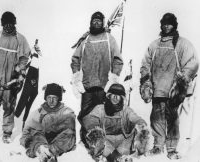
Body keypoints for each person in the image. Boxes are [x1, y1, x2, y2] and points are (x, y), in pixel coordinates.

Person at [140, 13, 199, 160]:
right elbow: (145, 64)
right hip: (157, 89)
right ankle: (158, 147)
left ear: (174, 25)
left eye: (169, 23)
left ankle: (172, 149)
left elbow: (192, 63)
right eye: (164, 23)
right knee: (156, 119)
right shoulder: (154, 45)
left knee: (172, 120)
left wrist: (182, 80)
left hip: (173, 91)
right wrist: (146, 82)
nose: (166, 26)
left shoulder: (183, 44)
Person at [71, 11, 123, 146]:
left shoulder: (108, 38)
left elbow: (117, 60)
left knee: (103, 115)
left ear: (103, 23)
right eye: (94, 20)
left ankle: (102, 142)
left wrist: (113, 78)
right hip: (87, 86)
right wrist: (77, 79)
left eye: (99, 21)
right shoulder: (86, 40)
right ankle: (85, 140)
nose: (96, 23)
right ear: (90, 22)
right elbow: (75, 59)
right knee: (85, 114)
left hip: (103, 87)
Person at [0, 11, 30, 143]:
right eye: (5, 24)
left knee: (9, 107)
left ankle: (7, 133)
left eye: (11, 24)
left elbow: (25, 58)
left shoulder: (20, 39)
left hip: (10, 81)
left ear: (14, 23)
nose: (8, 27)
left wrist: (19, 71)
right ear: (2, 24)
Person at [82, 84, 150, 162]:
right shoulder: (100, 108)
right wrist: (94, 129)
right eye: (113, 94)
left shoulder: (126, 110)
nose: (115, 97)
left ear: (122, 98)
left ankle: (123, 157)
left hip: (123, 142)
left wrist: (142, 126)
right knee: (103, 151)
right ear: (109, 96)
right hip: (105, 141)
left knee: (125, 151)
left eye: (118, 95)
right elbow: (89, 119)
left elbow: (136, 118)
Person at [20, 83, 76, 162]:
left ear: (58, 98)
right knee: (35, 134)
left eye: (54, 98)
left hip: (58, 142)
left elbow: (69, 132)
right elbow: (26, 132)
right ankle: (42, 152)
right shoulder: (38, 113)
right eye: (49, 97)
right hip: (42, 141)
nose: (51, 101)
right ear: (45, 98)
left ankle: (48, 153)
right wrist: (27, 142)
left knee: (69, 136)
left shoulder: (66, 112)